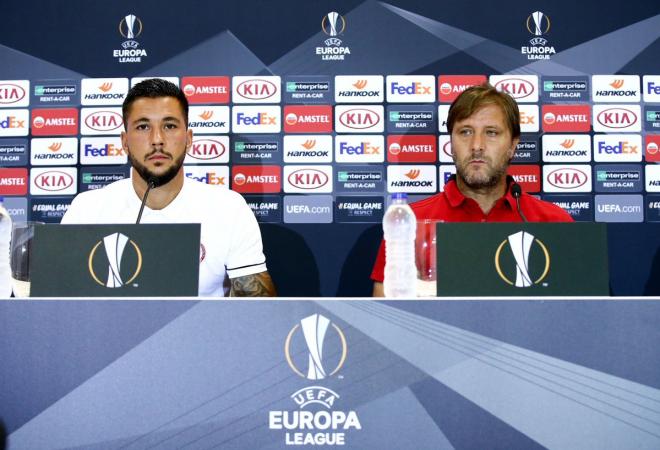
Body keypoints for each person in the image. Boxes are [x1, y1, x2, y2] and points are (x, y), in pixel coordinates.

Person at [62, 78, 276, 297]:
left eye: (170, 126)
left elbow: (256, 307)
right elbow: (59, 301)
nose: (157, 140)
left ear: (189, 138)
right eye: (143, 126)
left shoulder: (228, 208)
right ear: (125, 142)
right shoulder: (86, 209)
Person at [372, 83, 573, 296]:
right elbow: (387, 311)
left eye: (492, 133)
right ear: (451, 142)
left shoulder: (553, 222)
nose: (477, 145)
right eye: (465, 132)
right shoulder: (410, 221)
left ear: (513, 145)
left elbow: (584, 314)